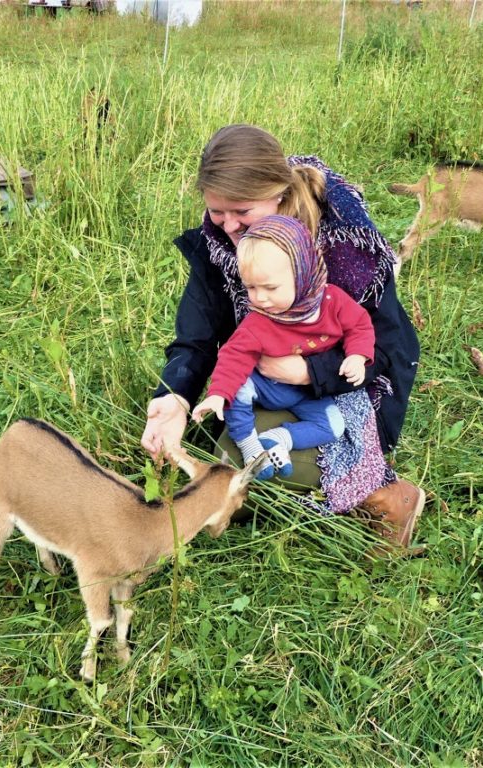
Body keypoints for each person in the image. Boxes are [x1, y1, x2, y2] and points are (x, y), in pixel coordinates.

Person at [140, 124, 425, 550]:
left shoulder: (345, 248)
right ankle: (268, 483)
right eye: (217, 211)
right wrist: (176, 397)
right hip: (268, 379)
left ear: (278, 193)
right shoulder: (218, 242)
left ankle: (386, 496)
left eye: (241, 211)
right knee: (230, 458)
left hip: (351, 387)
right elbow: (196, 336)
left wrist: (310, 371)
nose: (228, 226)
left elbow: (385, 348)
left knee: (241, 463)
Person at [191, 215, 375, 483]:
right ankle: (249, 443)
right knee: (239, 388)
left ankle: (280, 438)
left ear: (303, 275)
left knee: (335, 425)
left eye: (270, 287)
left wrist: (357, 356)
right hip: (267, 387)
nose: (260, 298)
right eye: (251, 287)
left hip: (308, 392)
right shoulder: (258, 321)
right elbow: (233, 356)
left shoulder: (332, 301)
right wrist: (218, 394)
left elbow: (360, 326)